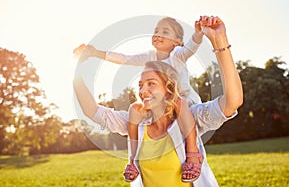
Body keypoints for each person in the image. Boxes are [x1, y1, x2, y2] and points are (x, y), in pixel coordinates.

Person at [73, 15, 243, 187]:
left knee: (181, 104)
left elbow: (232, 102)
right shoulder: (138, 120)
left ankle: (193, 154)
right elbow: (93, 110)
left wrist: (215, 39)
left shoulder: (189, 112)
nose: (143, 91)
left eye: (151, 83)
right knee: (135, 108)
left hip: (186, 101)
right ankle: (132, 161)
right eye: (140, 85)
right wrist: (81, 66)